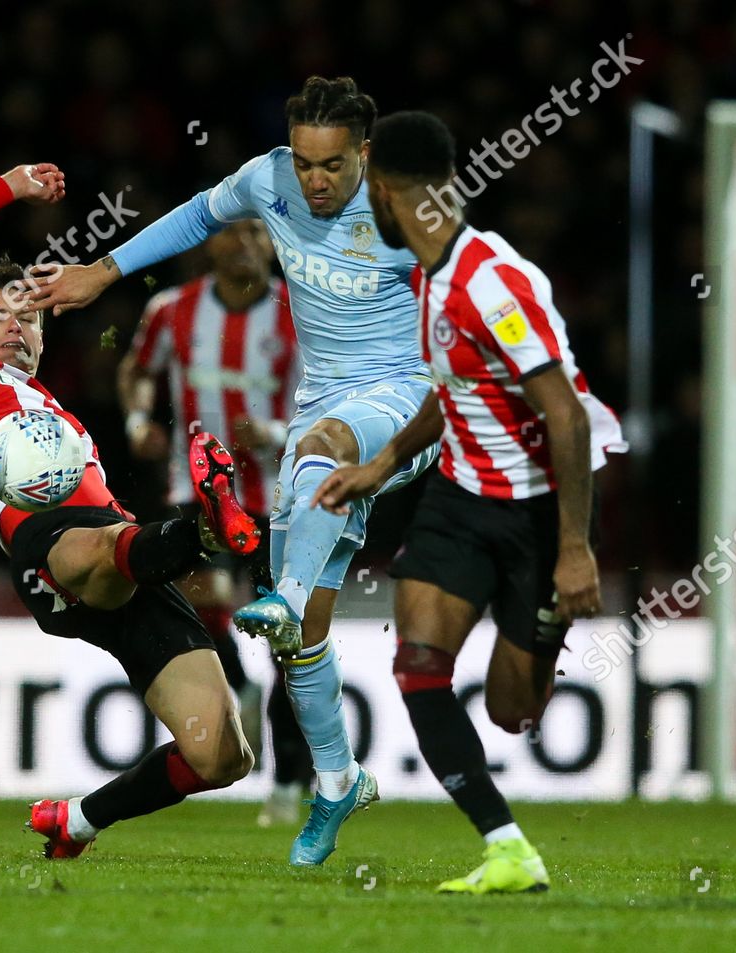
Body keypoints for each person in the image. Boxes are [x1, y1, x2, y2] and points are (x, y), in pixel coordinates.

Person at [26, 76, 437, 866]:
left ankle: (277, 595)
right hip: (323, 403)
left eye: (333, 166)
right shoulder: (270, 177)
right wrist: (103, 272)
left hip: (404, 399)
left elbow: (464, 305)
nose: (316, 181)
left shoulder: (406, 212)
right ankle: (336, 778)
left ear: (367, 152)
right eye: (307, 163)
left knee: (319, 451)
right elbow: (197, 215)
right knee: (302, 640)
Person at [0, 164, 257, 857]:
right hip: (49, 552)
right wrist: (10, 184)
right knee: (94, 547)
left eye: (31, 316)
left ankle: (78, 820)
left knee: (223, 751)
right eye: (2, 311)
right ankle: (205, 528)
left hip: (126, 554)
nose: (18, 325)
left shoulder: (56, 413)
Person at [316, 111, 626, 893]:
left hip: (537, 508)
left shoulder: (491, 280)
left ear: (384, 191)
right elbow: (449, 389)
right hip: (459, 498)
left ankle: (543, 623)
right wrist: (381, 463)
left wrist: (574, 548)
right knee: (418, 663)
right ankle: (507, 846)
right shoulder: (433, 275)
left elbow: (565, 412)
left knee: (512, 712)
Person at [116, 219, 314, 825]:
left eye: (256, 232)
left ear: (271, 243)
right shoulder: (171, 309)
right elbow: (135, 371)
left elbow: (332, 394)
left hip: (277, 495)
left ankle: (290, 782)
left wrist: (281, 434)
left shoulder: (297, 312)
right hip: (195, 492)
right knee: (197, 601)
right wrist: (137, 422)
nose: (243, 243)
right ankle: (237, 686)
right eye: (230, 232)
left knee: (290, 638)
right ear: (211, 245)